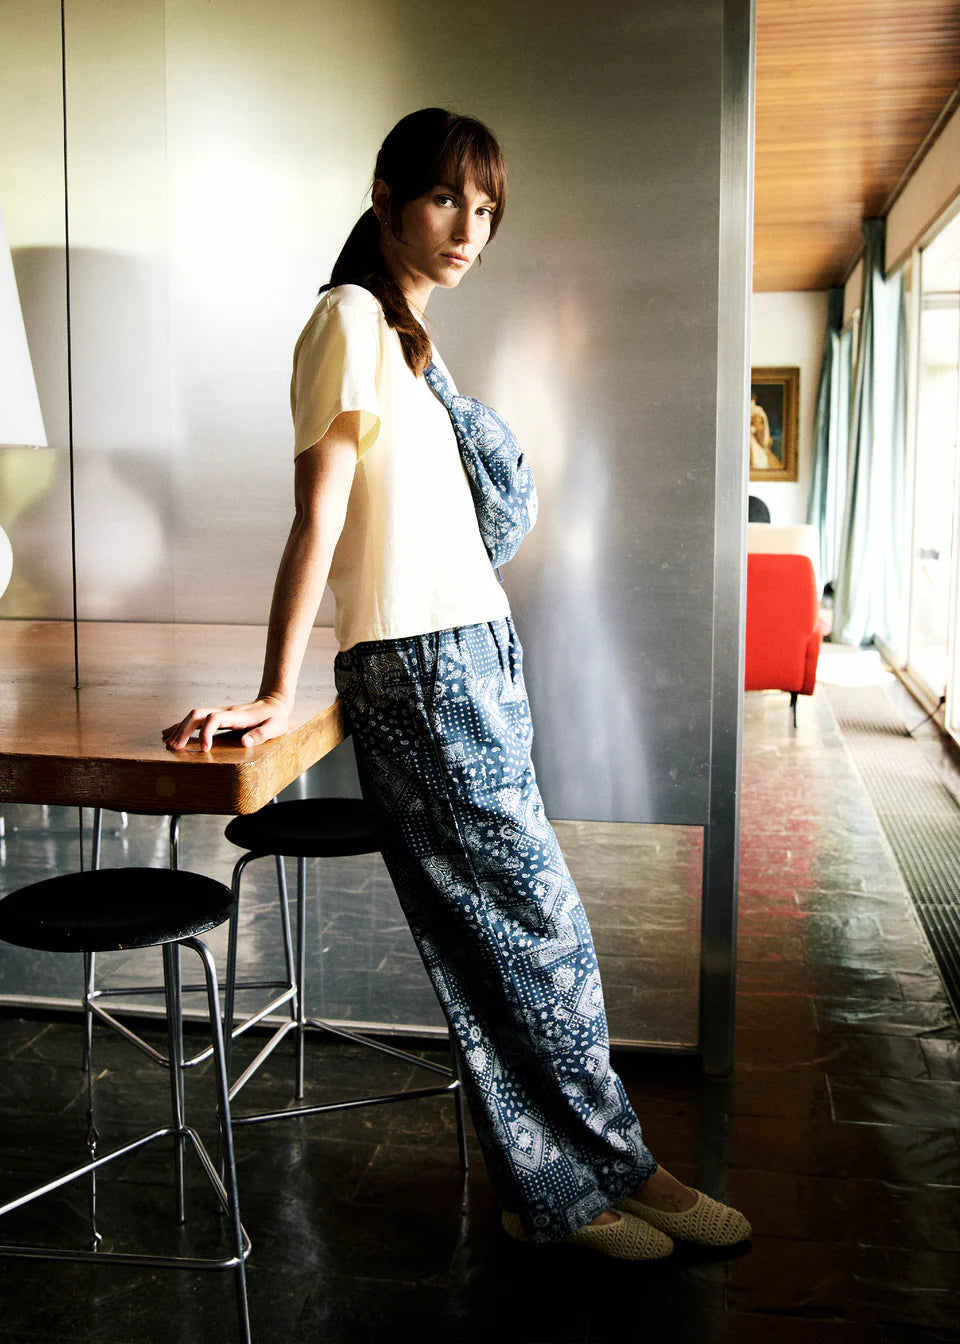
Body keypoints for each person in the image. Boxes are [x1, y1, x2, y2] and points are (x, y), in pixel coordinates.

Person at [163, 108, 750, 1259]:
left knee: (500, 939)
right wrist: (279, 687)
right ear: (385, 195)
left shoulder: (414, 342)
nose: (468, 228)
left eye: (485, 210)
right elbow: (319, 513)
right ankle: (615, 1171)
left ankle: (562, 1186)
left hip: (474, 657)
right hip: (419, 668)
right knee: (539, 933)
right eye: (446, 200)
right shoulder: (343, 320)